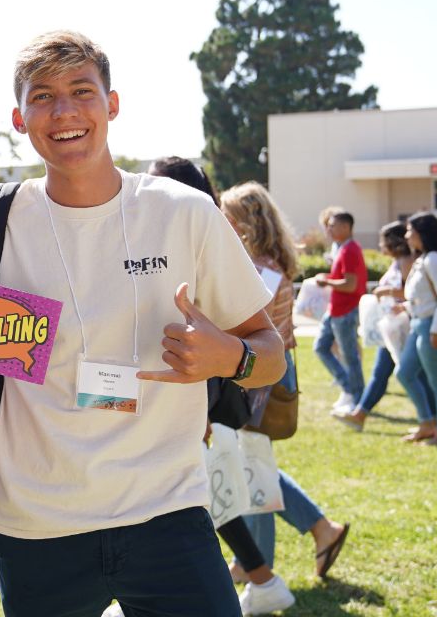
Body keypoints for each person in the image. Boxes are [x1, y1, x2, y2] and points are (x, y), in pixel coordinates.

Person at [0, 31, 285, 617]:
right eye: (42, 96)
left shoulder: (183, 212)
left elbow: (270, 352)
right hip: (37, 522)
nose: (64, 111)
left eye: (81, 91)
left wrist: (229, 358)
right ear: (19, 118)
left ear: (111, 105)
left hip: (167, 513)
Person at [148, 162, 294, 615]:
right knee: (221, 481)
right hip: (206, 391)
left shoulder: (216, 249)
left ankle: (263, 572)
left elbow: (263, 342)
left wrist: (213, 396)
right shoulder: (188, 240)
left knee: (230, 477)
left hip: (218, 388)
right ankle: (260, 572)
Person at [219, 182, 350, 590]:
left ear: (245, 221)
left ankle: (286, 547)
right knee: (254, 464)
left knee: (252, 466)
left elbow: (250, 328)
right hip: (269, 372)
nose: (220, 221)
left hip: (259, 377)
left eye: (227, 214)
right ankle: (292, 543)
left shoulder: (260, 268)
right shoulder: (271, 261)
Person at [337, 221, 429, 432]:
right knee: (386, 371)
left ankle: (431, 420)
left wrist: (385, 291)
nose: (380, 244)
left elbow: (409, 293)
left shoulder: (407, 261)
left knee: (406, 372)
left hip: (403, 325)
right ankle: (360, 414)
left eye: (383, 240)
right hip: (393, 326)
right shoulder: (397, 261)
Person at [390, 213, 437, 447]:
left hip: (432, 326)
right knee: (404, 372)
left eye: (410, 230)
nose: (406, 235)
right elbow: (426, 295)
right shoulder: (425, 258)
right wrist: (405, 307)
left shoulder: (434, 259)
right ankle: (427, 423)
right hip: (420, 324)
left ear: (423, 233)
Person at [312, 211, 368, 415]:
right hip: (335, 309)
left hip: (346, 310)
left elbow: (351, 285)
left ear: (346, 227)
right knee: (320, 347)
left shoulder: (350, 250)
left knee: (349, 356)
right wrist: (327, 277)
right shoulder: (343, 249)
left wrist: (326, 281)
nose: (329, 229)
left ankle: (358, 399)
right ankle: (348, 389)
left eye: (333, 225)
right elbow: (342, 278)